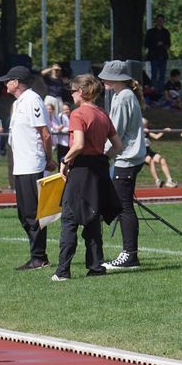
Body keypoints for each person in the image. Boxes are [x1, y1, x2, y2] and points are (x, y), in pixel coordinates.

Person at [53, 75, 121, 281]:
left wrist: (64, 161)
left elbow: (79, 144)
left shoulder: (78, 113)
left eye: (73, 91)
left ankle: (63, 271)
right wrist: (103, 157)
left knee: (69, 220)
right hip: (98, 170)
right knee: (92, 219)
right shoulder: (102, 113)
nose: (72, 95)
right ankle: (96, 266)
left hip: (81, 170)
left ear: (81, 92)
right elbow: (118, 146)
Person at [2, 65, 55, 270]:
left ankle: (39, 257)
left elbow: (45, 133)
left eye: (8, 80)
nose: (6, 84)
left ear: (16, 82)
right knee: (24, 214)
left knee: (33, 214)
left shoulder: (32, 100)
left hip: (33, 164)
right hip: (22, 166)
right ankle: (37, 256)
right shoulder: (19, 103)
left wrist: (48, 158)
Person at [99, 60, 145, 272]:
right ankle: (129, 254)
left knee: (124, 206)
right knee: (123, 205)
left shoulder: (124, 96)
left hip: (126, 158)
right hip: (126, 157)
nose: (103, 80)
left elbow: (115, 131)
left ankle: (129, 254)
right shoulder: (123, 95)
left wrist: (104, 153)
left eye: (106, 76)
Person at [142, 119, 177, 188]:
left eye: (146, 125)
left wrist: (163, 131)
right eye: (144, 125)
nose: (146, 126)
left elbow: (156, 137)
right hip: (141, 152)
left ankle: (169, 180)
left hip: (148, 150)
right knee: (151, 161)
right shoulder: (136, 131)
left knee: (162, 160)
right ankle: (157, 180)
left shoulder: (147, 131)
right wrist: (141, 131)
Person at [144, 15, 172, 90]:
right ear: (156, 21)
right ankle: (154, 90)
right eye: (159, 20)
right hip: (154, 56)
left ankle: (161, 91)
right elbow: (146, 44)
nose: (160, 22)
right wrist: (155, 44)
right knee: (154, 74)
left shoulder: (166, 32)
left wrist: (164, 45)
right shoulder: (151, 32)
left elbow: (168, 43)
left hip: (163, 56)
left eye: (162, 20)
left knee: (162, 75)